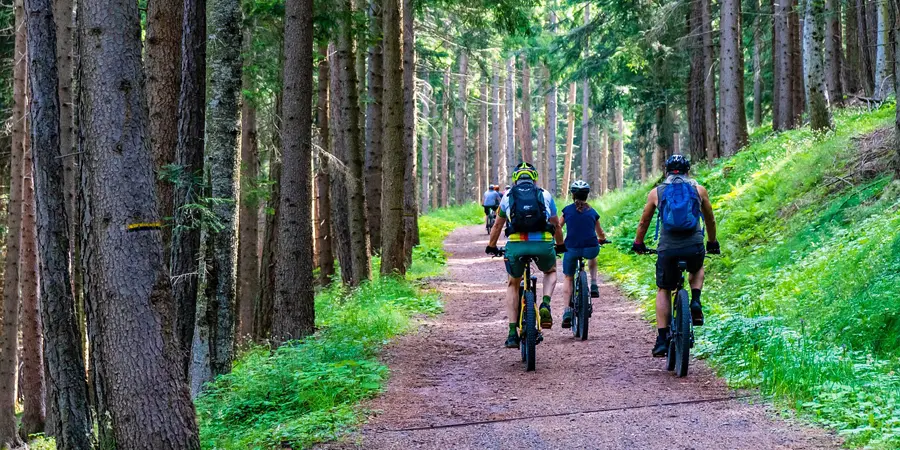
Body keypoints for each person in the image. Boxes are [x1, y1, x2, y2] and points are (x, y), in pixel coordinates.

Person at [631, 155, 720, 357]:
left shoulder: (657, 192)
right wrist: (712, 242)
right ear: (688, 170)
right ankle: (695, 300)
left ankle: (662, 339)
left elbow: (644, 222)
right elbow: (710, 219)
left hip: (668, 249)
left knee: (664, 288)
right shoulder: (699, 190)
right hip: (693, 245)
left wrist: (638, 243)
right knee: (696, 268)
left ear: (667, 170)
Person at [486, 162, 566, 348]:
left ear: (515, 179)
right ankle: (545, 303)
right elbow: (556, 224)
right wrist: (560, 245)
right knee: (551, 271)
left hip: (517, 246)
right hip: (543, 245)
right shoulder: (545, 194)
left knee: (513, 283)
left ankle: (512, 333)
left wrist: (491, 246)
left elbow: (497, 225)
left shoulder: (507, 196)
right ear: (534, 177)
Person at [559, 180, 609, 328]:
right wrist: (602, 239)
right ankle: (593, 283)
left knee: (568, 277)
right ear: (587, 195)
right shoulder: (592, 212)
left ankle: (567, 310)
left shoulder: (567, 210)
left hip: (571, 248)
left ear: (572, 195)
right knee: (593, 254)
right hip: (590, 248)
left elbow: (558, 227)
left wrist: (558, 242)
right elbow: (600, 233)